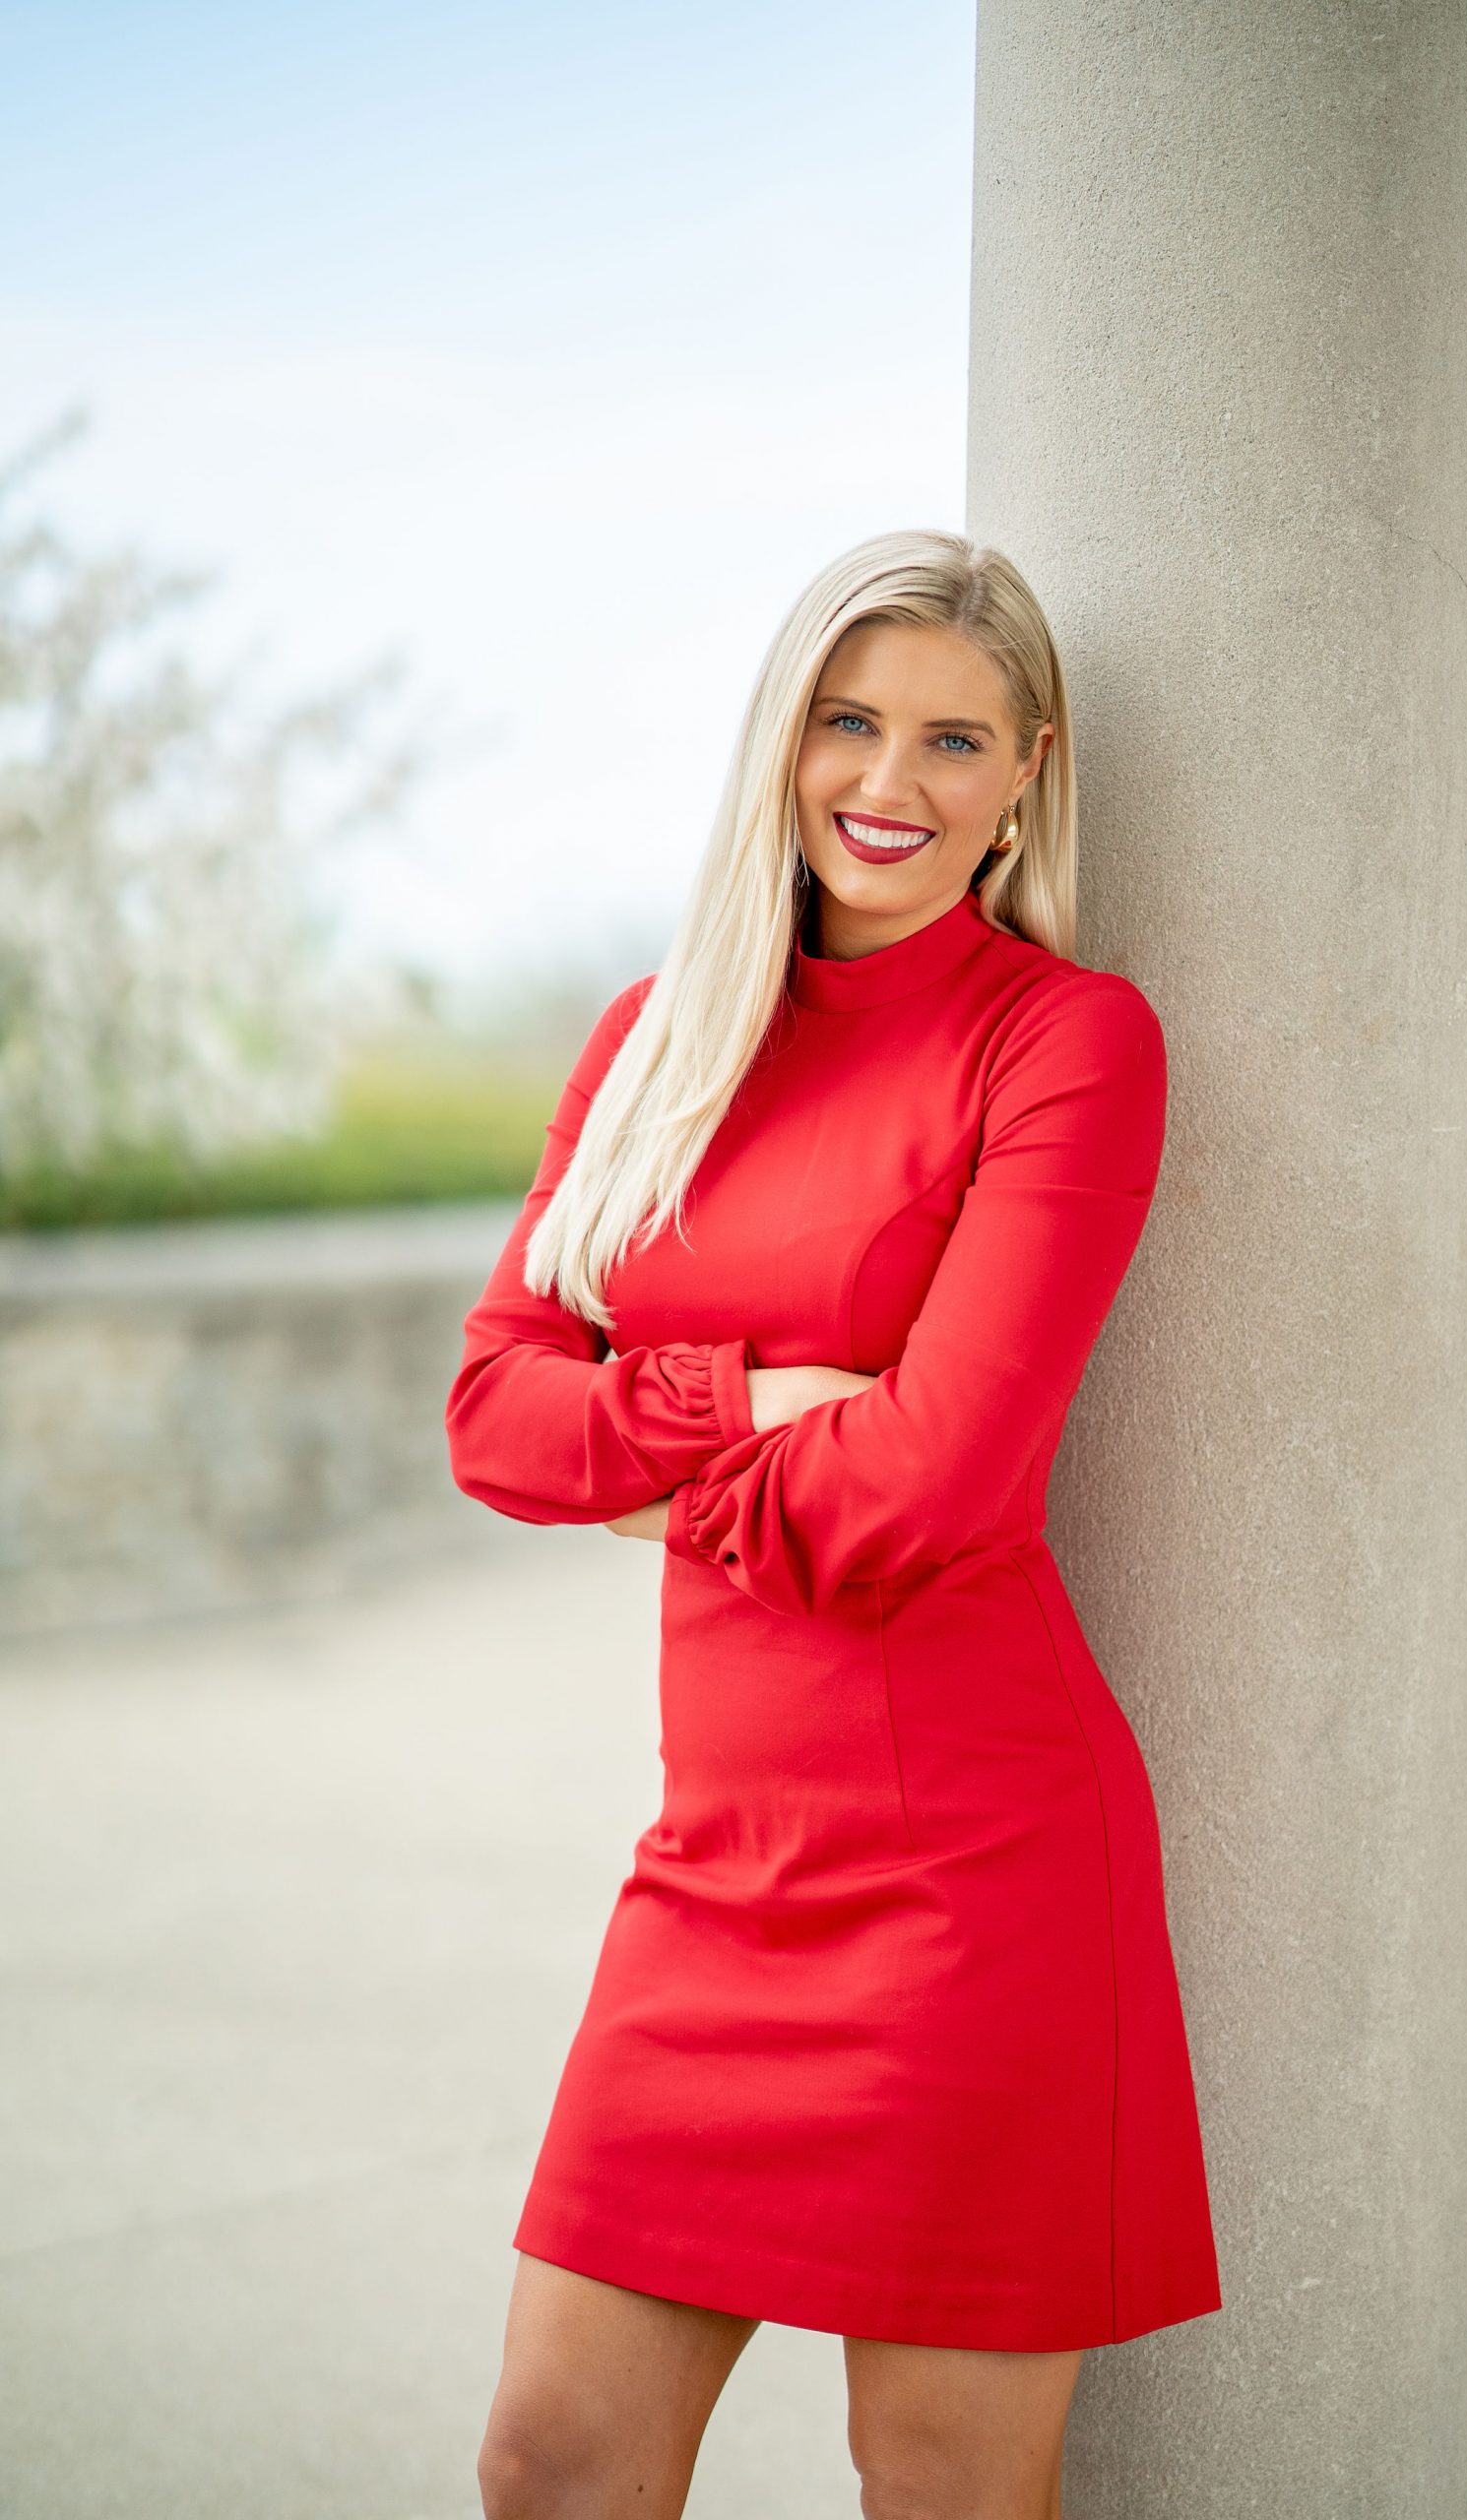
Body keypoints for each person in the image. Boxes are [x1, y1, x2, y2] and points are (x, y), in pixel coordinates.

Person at [445, 527, 1221, 2520]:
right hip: (711, 1864)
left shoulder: (1064, 1041)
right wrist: (747, 1401)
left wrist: (638, 1479)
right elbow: (485, 1410)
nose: (889, 784)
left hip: (975, 1880)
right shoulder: (657, 1038)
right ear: (784, 739)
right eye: (849, 721)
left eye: (954, 740)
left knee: (942, 2486)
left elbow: (942, 1485)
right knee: (551, 2456)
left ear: (1030, 766)